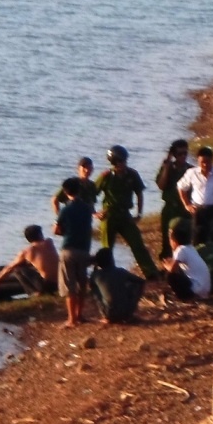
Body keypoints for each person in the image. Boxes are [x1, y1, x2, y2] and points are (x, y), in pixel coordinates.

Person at [94, 145, 158, 278]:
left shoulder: (132, 174)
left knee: (137, 244)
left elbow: (139, 193)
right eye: (119, 162)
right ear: (113, 162)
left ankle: (151, 273)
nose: (122, 164)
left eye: (124, 161)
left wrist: (139, 214)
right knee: (106, 249)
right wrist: (94, 213)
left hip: (125, 215)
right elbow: (91, 193)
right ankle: (105, 275)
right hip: (109, 215)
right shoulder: (106, 176)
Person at [53, 176, 95, 327]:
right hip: (84, 248)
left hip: (69, 249)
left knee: (69, 286)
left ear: (65, 192)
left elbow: (56, 229)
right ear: (79, 190)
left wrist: (64, 232)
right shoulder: (87, 208)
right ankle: (80, 315)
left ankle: (72, 320)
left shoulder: (66, 209)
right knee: (82, 284)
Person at [177, 146, 213, 249]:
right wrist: (187, 205)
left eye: (207, 162)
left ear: (212, 160)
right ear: (198, 161)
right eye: (202, 162)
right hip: (199, 210)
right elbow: (181, 187)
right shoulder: (192, 173)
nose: (205, 165)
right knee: (198, 240)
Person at [0, 224, 59, 295]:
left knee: (18, 269)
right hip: (60, 282)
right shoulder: (49, 242)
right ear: (40, 235)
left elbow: (10, 267)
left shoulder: (27, 251)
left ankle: (34, 293)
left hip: (46, 285)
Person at [155, 140, 191, 260]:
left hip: (185, 209)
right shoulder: (168, 168)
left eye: (185, 153)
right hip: (170, 208)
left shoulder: (191, 170)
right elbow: (161, 185)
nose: (183, 156)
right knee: (167, 240)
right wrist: (167, 166)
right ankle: (168, 264)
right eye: (180, 154)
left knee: (185, 239)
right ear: (174, 154)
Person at [90, 246, 145, 324]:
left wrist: (95, 267)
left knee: (96, 288)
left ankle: (105, 316)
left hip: (108, 313)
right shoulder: (121, 271)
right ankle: (128, 312)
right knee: (133, 285)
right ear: (112, 260)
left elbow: (92, 286)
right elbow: (141, 281)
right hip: (126, 312)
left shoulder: (96, 275)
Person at [162, 221, 212, 301]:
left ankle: (184, 297)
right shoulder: (190, 247)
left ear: (174, 240)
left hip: (196, 288)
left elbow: (172, 269)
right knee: (178, 272)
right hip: (204, 288)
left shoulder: (181, 249)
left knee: (170, 276)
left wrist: (166, 265)